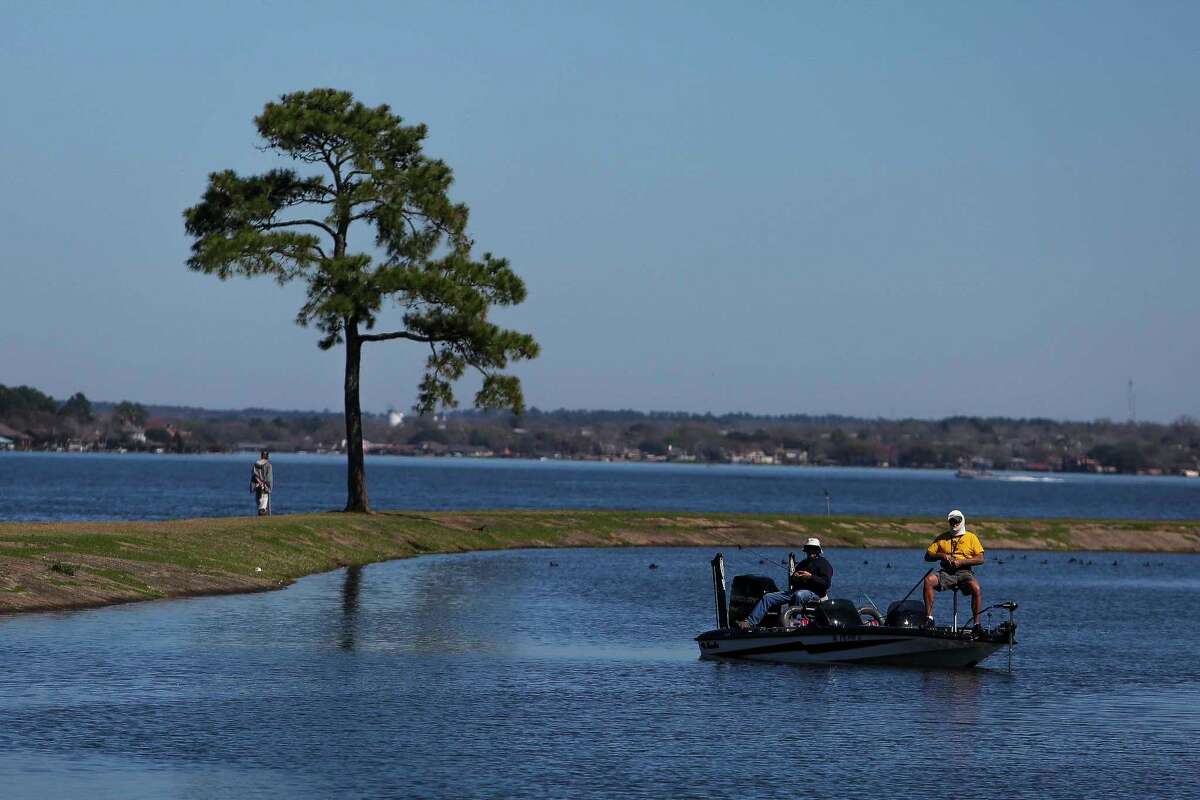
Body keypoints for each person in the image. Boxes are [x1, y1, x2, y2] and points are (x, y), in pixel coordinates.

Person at [738, 538, 833, 630]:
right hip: (795, 591)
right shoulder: (803, 563)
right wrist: (795, 577)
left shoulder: (824, 564)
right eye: (809, 549)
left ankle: (796, 623)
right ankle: (749, 623)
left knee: (799, 595)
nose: (810, 551)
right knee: (768, 597)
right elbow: (793, 580)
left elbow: (826, 583)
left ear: (818, 550)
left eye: (813, 549)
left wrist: (810, 577)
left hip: (814, 594)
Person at [923, 509, 984, 627]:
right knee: (928, 580)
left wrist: (962, 562)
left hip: (965, 572)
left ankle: (977, 624)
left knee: (976, 588)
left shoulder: (971, 537)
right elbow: (928, 556)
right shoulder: (942, 538)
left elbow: (981, 559)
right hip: (947, 573)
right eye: (952, 521)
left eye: (957, 521)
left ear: (962, 521)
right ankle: (929, 618)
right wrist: (942, 556)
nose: (955, 523)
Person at [250, 450, 273, 516]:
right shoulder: (268, 465)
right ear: (267, 456)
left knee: (259, 502)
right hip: (264, 487)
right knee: (263, 505)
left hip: (257, 486)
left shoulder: (256, 464)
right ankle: (262, 515)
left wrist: (258, 482)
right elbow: (269, 478)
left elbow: (254, 474)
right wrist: (266, 485)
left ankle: (262, 514)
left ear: (261, 456)